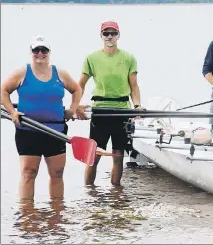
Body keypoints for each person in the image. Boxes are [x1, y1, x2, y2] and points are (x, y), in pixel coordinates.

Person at [1, 36, 82, 201]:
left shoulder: (60, 73)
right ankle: (27, 215)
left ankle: (57, 213)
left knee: (57, 173)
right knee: (29, 173)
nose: (40, 53)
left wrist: (73, 109)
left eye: (43, 50)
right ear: (31, 52)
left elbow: (76, 89)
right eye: (36, 50)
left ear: (49, 52)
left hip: (56, 131)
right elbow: (3, 91)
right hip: (28, 130)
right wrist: (12, 112)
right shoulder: (22, 72)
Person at [76, 21, 142, 186]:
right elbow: (81, 84)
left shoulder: (128, 58)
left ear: (118, 36)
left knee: (118, 155)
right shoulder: (92, 58)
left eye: (113, 33)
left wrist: (137, 106)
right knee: (94, 155)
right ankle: (89, 192)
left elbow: (134, 85)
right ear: (101, 36)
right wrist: (76, 105)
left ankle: (116, 193)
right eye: (106, 33)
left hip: (122, 111)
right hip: (100, 110)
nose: (110, 37)